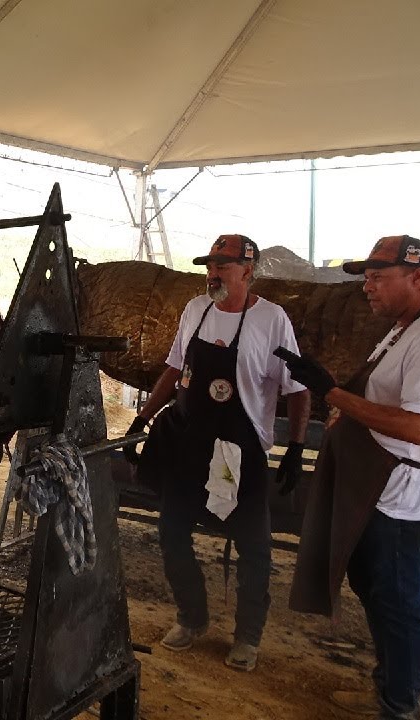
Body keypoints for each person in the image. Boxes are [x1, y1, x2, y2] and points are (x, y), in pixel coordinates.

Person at [126, 234, 310, 672]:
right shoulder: (196, 309)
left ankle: (247, 637)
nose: (212, 274)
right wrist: (141, 418)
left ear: (248, 271)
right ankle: (192, 618)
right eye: (210, 265)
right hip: (189, 444)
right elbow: (175, 369)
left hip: (239, 451)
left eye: (222, 267)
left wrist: (296, 445)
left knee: (254, 548)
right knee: (171, 532)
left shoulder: (272, 319)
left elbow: (297, 388)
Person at [283, 235, 420, 719]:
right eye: (365, 278)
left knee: (400, 604)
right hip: (377, 490)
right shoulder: (403, 327)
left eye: (378, 277)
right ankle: (388, 688)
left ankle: (399, 707)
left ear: (418, 276)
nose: (367, 288)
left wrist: (335, 396)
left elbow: (419, 428)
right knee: (374, 588)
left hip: (405, 499)